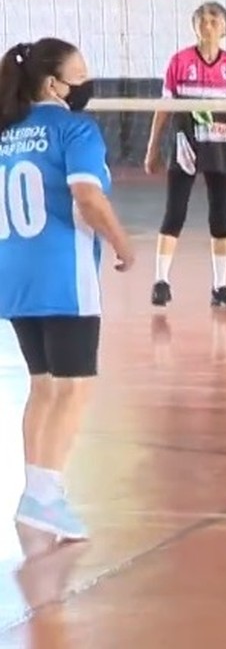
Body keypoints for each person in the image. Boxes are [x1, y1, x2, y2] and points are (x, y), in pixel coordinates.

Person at [0, 38, 135, 540]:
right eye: (79, 75)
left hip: (13, 273)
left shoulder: (6, 131)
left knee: (43, 385)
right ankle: (45, 494)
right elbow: (87, 197)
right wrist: (123, 243)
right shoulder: (75, 129)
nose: (86, 83)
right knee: (75, 386)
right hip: (63, 274)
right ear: (53, 84)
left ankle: (35, 492)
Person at [144, 1, 226, 311]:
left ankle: (220, 286)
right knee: (175, 213)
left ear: (225, 28)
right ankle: (160, 281)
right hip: (186, 149)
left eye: (214, 19)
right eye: (202, 19)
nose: (207, 24)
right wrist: (152, 147)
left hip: (220, 150)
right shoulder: (180, 62)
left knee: (219, 217)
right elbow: (165, 107)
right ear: (194, 26)